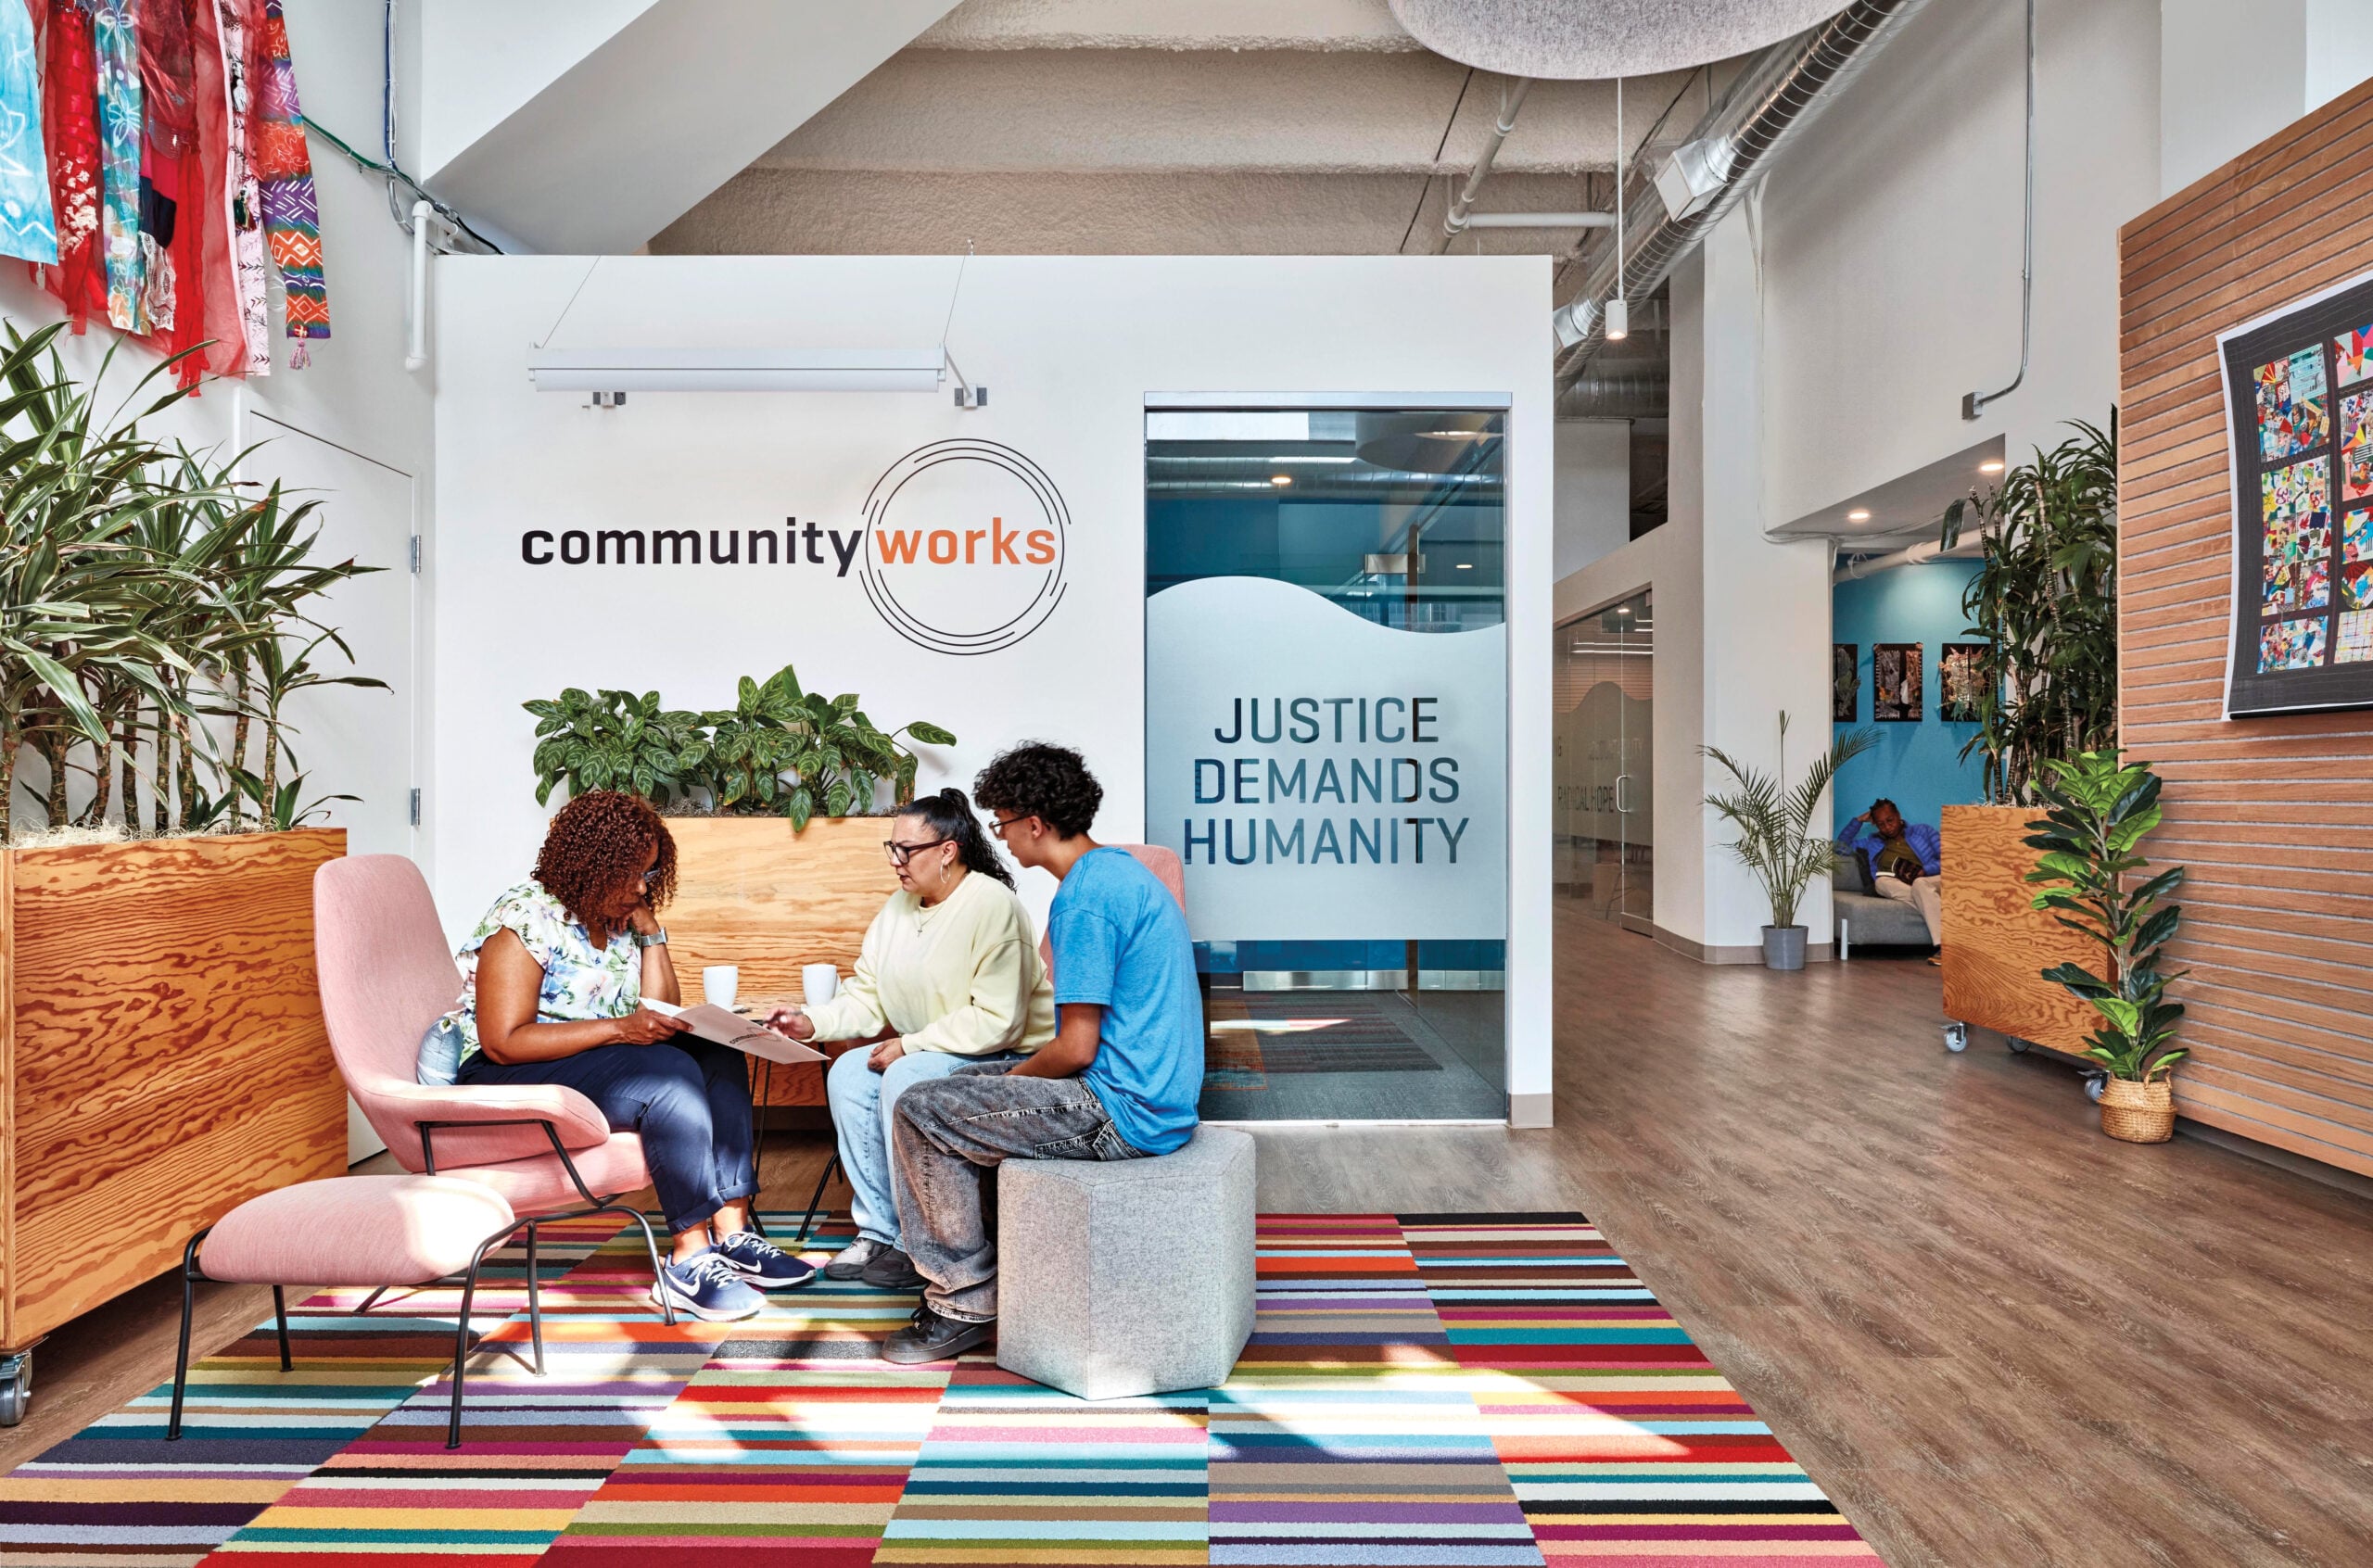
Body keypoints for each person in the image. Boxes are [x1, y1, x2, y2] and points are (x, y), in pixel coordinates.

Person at [420, 789, 814, 1322]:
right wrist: (620, 1029)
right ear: (590, 864)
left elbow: (662, 1008)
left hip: (585, 1060)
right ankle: (689, 1259)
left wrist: (652, 932)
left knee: (714, 1055)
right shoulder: (526, 917)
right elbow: (503, 1040)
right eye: (629, 873)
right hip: (505, 1071)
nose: (639, 886)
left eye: (648, 874)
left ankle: (733, 1232)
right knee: (670, 1075)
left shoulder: (618, 916)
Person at [876, 743, 1203, 1364]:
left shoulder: (1084, 898)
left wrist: (1016, 1079)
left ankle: (961, 1302)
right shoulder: (1122, 871)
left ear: (1036, 824)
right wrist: (1004, 1079)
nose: (998, 837)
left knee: (921, 1107)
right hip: (1153, 1093)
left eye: (1001, 823)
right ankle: (995, 1264)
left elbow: (1075, 1048)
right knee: (967, 1081)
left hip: (1120, 1110)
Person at [762, 787, 1056, 1292]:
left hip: (1008, 1056)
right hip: (936, 1049)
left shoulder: (991, 905)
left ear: (948, 850)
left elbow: (999, 1021)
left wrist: (910, 1045)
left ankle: (918, 1243)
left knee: (907, 1073)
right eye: (891, 848)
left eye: (908, 850)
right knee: (849, 1072)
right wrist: (810, 1022)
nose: (896, 861)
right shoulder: (898, 910)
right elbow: (869, 996)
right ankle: (881, 1231)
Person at [1838, 798, 1944, 958]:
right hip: (1898, 885)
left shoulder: (1923, 831)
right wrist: (1859, 820)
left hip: (1931, 880)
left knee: (1920, 884)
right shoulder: (1871, 842)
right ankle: (1934, 906)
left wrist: (1925, 870)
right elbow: (1840, 848)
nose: (1887, 827)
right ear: (1875, 825)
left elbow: (1949, 858)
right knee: (1880, 882)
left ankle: (1946, 946)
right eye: (1881, 824)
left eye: (1890, 820)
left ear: (1898, 815)